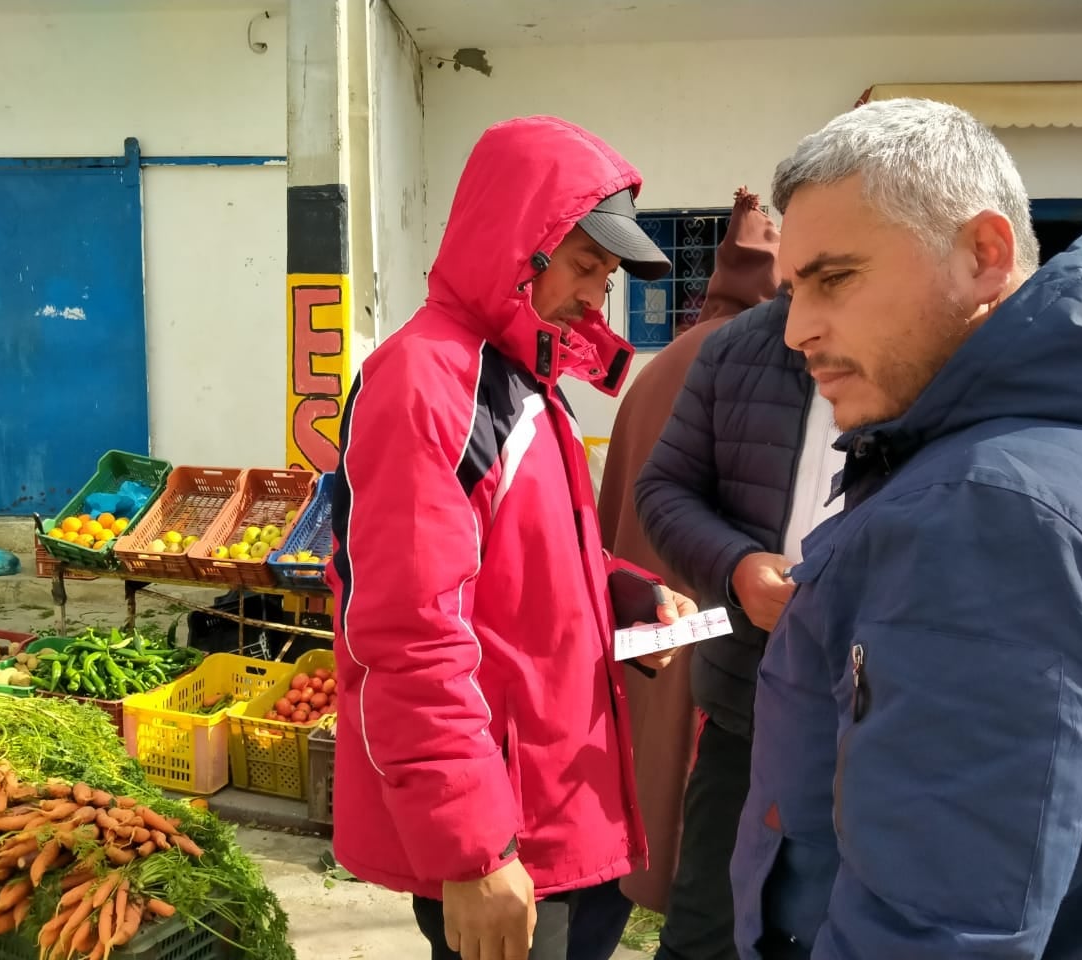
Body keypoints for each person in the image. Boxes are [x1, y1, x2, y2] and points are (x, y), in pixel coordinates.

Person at [731, 96, 1082, 960]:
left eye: (834, 278)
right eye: (791, 290)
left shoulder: (994, 513)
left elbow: (934, 934)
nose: (798, 329)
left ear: (984, 255)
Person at [326, 115, 697, 960]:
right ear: (518, 245)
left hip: (567, 812)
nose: (597, 294)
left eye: (607, 275)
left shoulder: (524, 379)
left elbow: (524, 561)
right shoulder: (427, 383)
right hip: (510, 836)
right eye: (584, 264)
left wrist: (625, 593)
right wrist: (474, 851)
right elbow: (409, 629)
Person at [628, 191, 845, 957]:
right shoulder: (734, 352)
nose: (807, 320)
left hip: (874, 718)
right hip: (742, 698)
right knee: (709, 926)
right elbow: (661, 488)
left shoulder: (926, 357)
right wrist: (738, 567)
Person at [584, 187, 784, 943]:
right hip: (710, 618)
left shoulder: (660, 364)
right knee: (698, 793)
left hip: (640, 615)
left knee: (641, 768)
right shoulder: (756, 374)